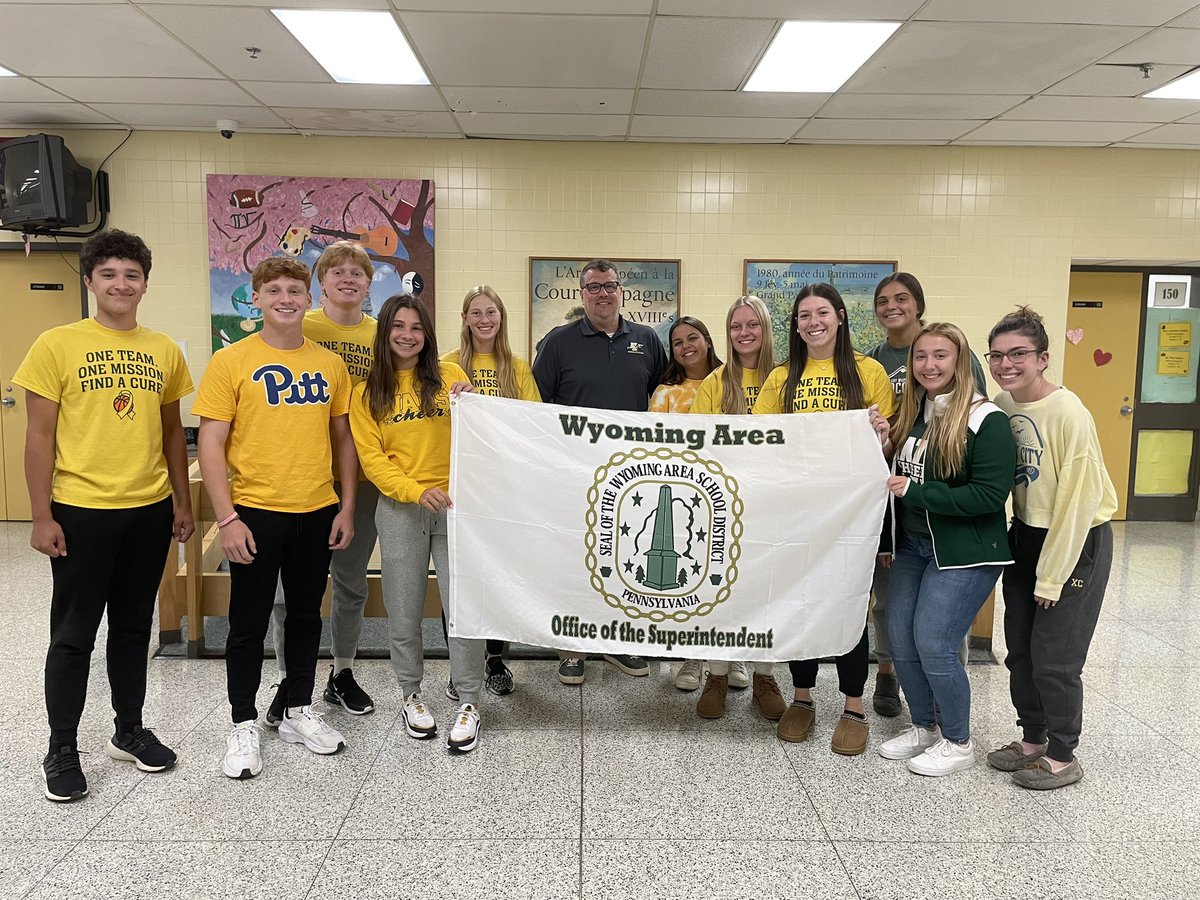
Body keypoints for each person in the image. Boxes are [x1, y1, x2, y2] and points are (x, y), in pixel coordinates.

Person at [15, 229, 194, 802]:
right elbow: (39, 436)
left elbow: (171, 433)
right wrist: (41, 516)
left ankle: (128, 728)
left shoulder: (163, 348)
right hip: (81, 510)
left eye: (132, 275)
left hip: (148, 509)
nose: (121, 284)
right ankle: (62, 746)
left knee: (133, 627)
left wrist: (182, 503)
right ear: (90, 280)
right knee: (73, 635)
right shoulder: (56, 343)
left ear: (145, 283)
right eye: (110, 274)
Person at [196, 256, 357, 779]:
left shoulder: (329, 364)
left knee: (307, 616)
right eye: (274, 290)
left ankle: (295, 709)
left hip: (316, 509)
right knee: (247, 621)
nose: (286, 298)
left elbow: (342, 440)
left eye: (294, 289)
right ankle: (243, 721)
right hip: (255, 512)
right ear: (257, 298)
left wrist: (346, 505)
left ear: (308, 299)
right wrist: (226, 519)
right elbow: (212, 443)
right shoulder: (231, 361)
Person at [754, 283, 895, 755]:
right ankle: (804, 698)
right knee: (802, 603)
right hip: (798, 513)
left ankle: (854, 705)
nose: (813, 322)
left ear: (839, 316)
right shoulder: (781, 377)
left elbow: (886, 448)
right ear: (795, 325)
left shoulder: (868, 371)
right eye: (804, 316)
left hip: (851, 514)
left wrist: (881, 435)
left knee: (849, 604)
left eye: (822, 313)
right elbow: (761, 443)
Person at [985, 306, 1117, 789]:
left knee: (1054, 655)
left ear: (1042, 358)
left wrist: (1052, 575)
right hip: (1026, 532)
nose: (1007, 363)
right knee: (1019, 648)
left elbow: (1079, 503)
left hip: (1073, 539)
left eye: (1018, 353)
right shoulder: (1004, 403)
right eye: (997, 355)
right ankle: (1033, 738)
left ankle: (1064, 754)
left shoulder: (1069, 412)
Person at [875, 323, 1015, 776]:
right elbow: (898, 469)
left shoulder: (985, 419)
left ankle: (958, 740)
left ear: (960, 361)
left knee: (935, 644)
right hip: (915, 547)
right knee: (899, 637)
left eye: (940, 356)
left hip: (966, 551)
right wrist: (882, 440)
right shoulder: (915, 411)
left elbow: (989, 496)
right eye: (920, 357)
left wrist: (916, 493)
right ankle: (924, 727)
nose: (929, 365)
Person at [350, 293, 485, 753]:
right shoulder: (368, 393)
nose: (408, 335)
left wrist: (474, 403)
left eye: (417, 327)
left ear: (427, 334)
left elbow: (478, 436)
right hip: (402, 508)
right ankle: (411, 694)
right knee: (403, 607)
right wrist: (414, 490)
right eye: (398, 327)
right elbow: (374, 460)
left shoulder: (451, 376)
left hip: (456, 506)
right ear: (384, 332)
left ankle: (468, 699)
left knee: (462, 606)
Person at [532, 258, 666, 685]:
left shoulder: (646, 340)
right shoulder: (558, 342)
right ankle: (572, 647)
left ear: (620, 291)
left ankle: (618, 640)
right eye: (594, 287)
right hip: (572, 473)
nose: (603, 293)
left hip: (631, 477)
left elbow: (662, 399)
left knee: (622, 554)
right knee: (573, 557)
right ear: (582, 294)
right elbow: (538, 408)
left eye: (610, 285)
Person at [865, 273, 988, 717]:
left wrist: (922, 484)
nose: (929, 365)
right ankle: (892, 680)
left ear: (918, 305)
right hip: (898, 501)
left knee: (939, 628)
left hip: (943, 509)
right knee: (893, 609)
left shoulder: (953, 356)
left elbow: (969, 433)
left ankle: (946, 703)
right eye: (883, 300)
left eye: (901, 299)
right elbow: (890, 426)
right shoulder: (876, 359)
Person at [267, 241, 378, 726]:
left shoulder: (382, 334)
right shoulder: (299, 326)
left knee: (351, 582)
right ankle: (291, 678)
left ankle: (343, 672)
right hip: (302, 474)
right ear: (321, 283)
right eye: (337, 271)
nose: (348, 278)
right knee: (290, 591)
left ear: (369, 284)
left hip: (365, 475)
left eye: (358, 272)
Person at [685, 298, 786, 723]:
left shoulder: (785, 377)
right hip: (724, 499)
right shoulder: (715, 381)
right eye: (735, 327)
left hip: (773, 499)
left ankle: (764, 674)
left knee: (767, 589)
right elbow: (696, 440)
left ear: (765, 329)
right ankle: (718, 674)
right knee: (722, 589)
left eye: (752, 325)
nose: (743, 334)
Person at [441, 284, 542, 699]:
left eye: (492, 313)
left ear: (502, 319)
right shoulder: (445, 365)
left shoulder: (517, 369)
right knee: (461, 578)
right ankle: (460, 666)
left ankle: (496, 659)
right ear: (464, 319)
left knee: (500, 574)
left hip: (503, 489)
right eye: (476, 313)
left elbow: (534, 422)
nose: (484, 320)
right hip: (458, 487)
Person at [648, 315, 724, 692]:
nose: (685, 346)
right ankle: (693, 657)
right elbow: (651, 447)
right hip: (683, 498)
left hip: (728, 495)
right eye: (677, 342)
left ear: (708, 340)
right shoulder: (665, 393)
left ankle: (730, 658)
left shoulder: (732, 382)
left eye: (692, 337)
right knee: (694, 577)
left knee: (728, 576)